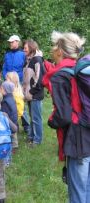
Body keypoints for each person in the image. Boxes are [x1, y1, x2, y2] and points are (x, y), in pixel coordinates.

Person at [43, 31, 87, 203]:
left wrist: (51, 121)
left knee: (77, 194)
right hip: (88, 131)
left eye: (54, 48)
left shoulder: (60, 75)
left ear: (60, 51)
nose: (52, 51)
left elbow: (63, 116)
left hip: (77, 140)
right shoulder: (81, 70)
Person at [2, 35, 30, 134]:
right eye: (9, 42)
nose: (10, 43)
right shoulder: (7, 55)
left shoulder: (23, 54)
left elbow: (25, 69)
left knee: (20, 103)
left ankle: (26, 126)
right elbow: (4, 68)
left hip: (19, 82)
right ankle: (12, 125)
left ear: (17, 42)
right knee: (9, 103)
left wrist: (17, 78)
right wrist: (6, 77)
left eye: (12, 42)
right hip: (8, 82)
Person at [23, 40, 45, 147]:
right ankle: (31, 136)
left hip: (35, 94)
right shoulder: (29, 60)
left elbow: (39, 79)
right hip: (29, 94)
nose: (24, 50)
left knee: (36, 119)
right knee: (33, 118)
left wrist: (31, 92)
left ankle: (37, 140)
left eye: (25, 48)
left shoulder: (37, 60)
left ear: (31, 48)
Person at [6, 71, 25, 148]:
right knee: (10, 130)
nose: (5, 81)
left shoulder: (16, 94)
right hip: (10, 115)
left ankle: (14, 145)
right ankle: (9, 143)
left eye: (7, 80)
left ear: (12, 81)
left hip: (14, 116)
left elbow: (20, 107)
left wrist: (18, 115)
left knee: (13, 131)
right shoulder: (10, 92)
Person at [0, 81, 18, 151]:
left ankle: (11, 147)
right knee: (13, 136)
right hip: (14, 121)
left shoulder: (5, 102)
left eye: (1, 88)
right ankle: (14, 145)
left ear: (5, 90)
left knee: (10, 136)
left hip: (10, 124)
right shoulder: (11, 98)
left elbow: (3, 115)